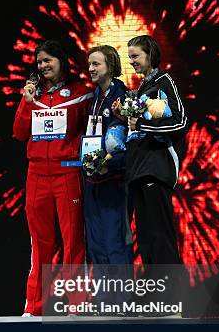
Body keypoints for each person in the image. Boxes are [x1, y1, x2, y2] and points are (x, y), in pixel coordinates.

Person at [13, 40, 93, 316]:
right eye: (39, 62)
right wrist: (26, 102)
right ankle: (34, 307)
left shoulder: (82, 93)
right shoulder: (32, 95)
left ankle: (78, 305)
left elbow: (91, 130)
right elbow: (19, 132)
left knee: (73, 242)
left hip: (67, 173)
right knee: (40, 243)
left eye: (48, 60)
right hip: (36, 175)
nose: (43, 65)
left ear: (62, 61)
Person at [114, 35, 188, 266]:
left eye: (135, 56)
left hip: (156, 168)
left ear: (150, 55)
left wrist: (142, 124)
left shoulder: (165, 81)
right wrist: (124, 118)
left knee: (160, 238)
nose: (132, 62)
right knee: (146, 240)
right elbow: (137, 129)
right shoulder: (142, 88)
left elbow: (181, 121)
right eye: (130, 57)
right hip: (138, 170)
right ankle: (157, 296)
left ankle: (174, 298)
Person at [84, 45, 131, 265]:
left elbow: (124, 144)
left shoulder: (120, 97)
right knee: (96, 246)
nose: (90, 68)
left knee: (115, 245)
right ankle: (104, 298)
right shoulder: (95, 96)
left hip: (113, 182)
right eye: (89, 63)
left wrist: (109, 164)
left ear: (110, 66)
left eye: (96, 64)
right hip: (93, 180)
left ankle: (121, 299)